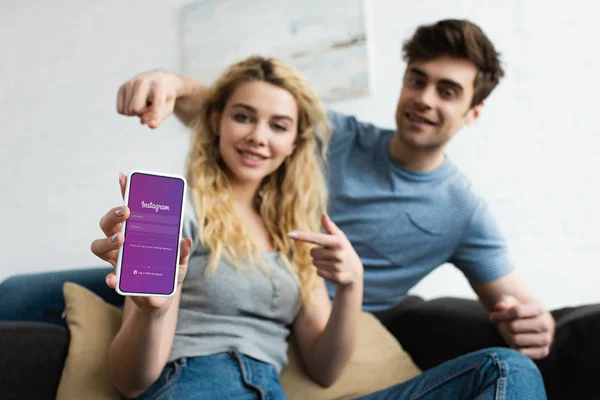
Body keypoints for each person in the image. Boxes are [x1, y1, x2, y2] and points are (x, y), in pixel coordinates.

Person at [0, 18, 574, 396]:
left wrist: (350, 284)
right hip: (196, 357)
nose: (424, 99)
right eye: (417, 80)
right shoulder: (333, 136)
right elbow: (237, 98)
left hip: (279, 345)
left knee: (508, 369)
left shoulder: (312, 231)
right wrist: (169, 82)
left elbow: (522, 310)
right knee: (17, 295)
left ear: (472, 111)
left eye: (447, 91)